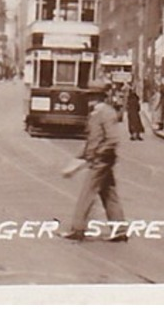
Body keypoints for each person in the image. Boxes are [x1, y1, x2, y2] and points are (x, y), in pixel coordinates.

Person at [61, 86, 127, 241]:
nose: (89, 100)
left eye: (91, 97)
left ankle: (78, 229)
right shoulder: (97, 113)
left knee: (87, 193)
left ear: (98, 97)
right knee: (108, 193)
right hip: (102, 159)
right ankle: (120, 230)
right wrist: (79, 157)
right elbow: (92, 140)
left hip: (102, 161)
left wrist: (97, 154)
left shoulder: (105, 112)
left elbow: (112, 139)